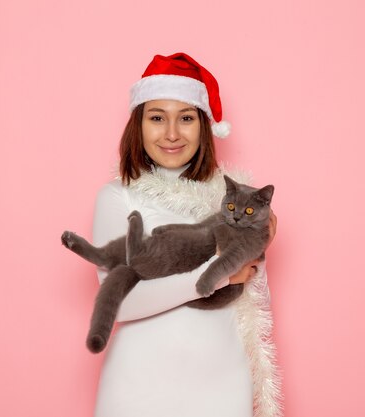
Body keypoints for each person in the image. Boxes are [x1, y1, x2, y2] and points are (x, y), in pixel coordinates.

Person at [91, 53, 281, 417]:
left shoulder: (236, 202)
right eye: (157, 117)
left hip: (223, 382)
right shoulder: (118, 196)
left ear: (204, 126)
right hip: (140, 386)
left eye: (187, 118)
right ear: (138, 124)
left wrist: (259, 243)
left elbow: (255, 302)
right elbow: (120, 303)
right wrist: (221, 271)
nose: (172, 133)